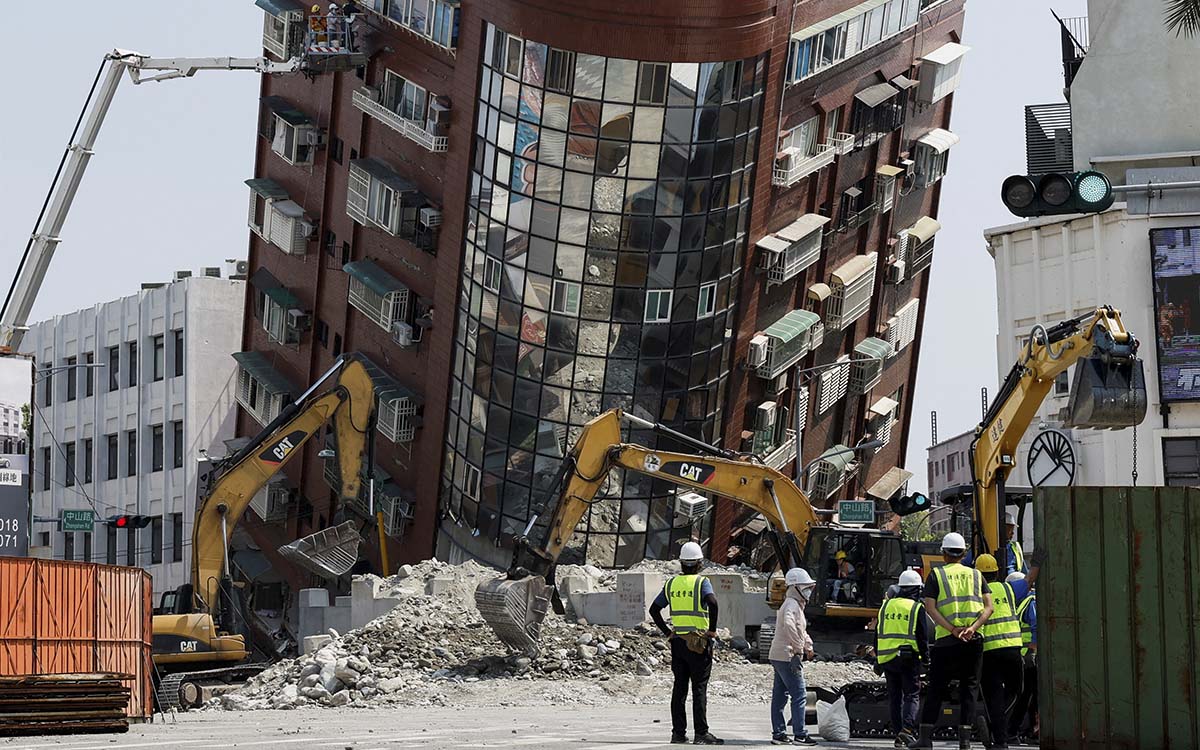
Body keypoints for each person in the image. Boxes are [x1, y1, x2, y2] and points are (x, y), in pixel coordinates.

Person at [910, 532, 993, 750]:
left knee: (936, 687)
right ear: (964, 554)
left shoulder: (937, 575)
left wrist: (953, 630)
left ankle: (925, 739)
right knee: (969, 689)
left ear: (943, 554)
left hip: (946, 641)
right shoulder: (976, 575)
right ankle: (964, 742)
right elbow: (989, 607)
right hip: (973, 640)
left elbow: (930, 607)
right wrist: (972, 628)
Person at [649, 542, 724, 745]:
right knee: (699, 688)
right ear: (699, 563)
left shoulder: (672, 584)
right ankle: (701, 733)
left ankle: (678, 733)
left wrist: (668, 632)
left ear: (682, 563)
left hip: (679, 643)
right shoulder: (702, 582)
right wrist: (712, 630)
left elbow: (654, 610)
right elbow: (713, 603)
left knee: (679, 689)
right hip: (698, 643)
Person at [974, 554, 1023, 750]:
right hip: (1012, 648)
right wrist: (1036, 565)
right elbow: (1028, 581)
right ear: (997, 572)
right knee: (1016, 691)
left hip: (988, 652)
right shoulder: (1008, 589)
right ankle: (998, 726)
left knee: (992, 696)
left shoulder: (974, 594)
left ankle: (999, 738)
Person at [767, 568, 819, 746]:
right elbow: (789, 625)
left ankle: (779, 734)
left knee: (780, 695)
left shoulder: (794, 604)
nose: (809, 591)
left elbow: (800, 630)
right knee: (799, 694)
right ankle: (800, 735)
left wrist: (808, 646)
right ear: (795, 587)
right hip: (787, 655)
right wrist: (798, 649)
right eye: (806, 587)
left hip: (779, 655)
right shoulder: (791, 604)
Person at [876, 570, 927, 748]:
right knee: (911, 695)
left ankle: (898, 735)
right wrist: (926, 660)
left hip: (887, 658)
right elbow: (922, 637)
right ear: (915, 589)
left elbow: (877, 633)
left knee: (895, 697)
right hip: (908, 659)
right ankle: (907, 730)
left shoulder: (886, 606)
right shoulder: (916, 608)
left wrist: (877, 659)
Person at [1006, 573, 1038, 746]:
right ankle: (1024, 730)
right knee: (1027, 695)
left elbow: (1035, 626)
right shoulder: (1023, 603)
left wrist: (1032, 650)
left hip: (1029, 657)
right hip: (1025, 657)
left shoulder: (1029, 602)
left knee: (1027, 695)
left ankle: (1015, 731)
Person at [1003, 511, 1027, 576]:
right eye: (1010, 529)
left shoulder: (1015, 547)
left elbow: (1024, 571)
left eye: (1013, 529)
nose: (1012, 533)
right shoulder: (990, 547)